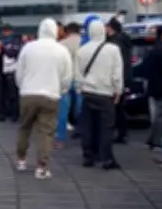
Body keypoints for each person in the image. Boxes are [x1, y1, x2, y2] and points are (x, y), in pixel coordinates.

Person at [15, 18, 73, 179]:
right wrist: (60, 90)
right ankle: (42, 167)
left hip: (28, 93)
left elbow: (19, 72)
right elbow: (67, 77)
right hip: (51, 94)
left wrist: (22, 87)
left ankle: (21, 159)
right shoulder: (62, 50)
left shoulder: (28, 48)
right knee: (46, 132)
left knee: (24, 127)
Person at [75, 19, 124, 170]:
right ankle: (107, 158)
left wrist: (80, 88)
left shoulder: (81, 50)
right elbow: (117, 73)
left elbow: (77, 74)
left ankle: (88, 156)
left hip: (87, 92)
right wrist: (118, 90)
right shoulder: (113, 50)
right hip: (106, 93)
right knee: (106, 127)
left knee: (88, 126)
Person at [134, 26, 162, 151]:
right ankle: (157, 142)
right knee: (159, 115)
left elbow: (146, 67)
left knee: (156, 114)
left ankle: (151, 140)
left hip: (152, 85)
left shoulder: (154, 49)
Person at [106, 17, 132, 144]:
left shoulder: (114, 43)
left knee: (115, 107)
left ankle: (118, 133)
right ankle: (122, 132)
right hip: (125, 76)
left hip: (117, 78)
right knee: (120, 107)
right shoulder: (123, 41)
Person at [56, 21, 82, 145]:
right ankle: (81, 130)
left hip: (65, 79)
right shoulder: (84, 43)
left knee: (63, 110)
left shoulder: (61, 45)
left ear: (68, 31)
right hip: (79, 79)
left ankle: (60, 137)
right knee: (80, 108)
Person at [0, 24, 21, 122]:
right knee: (2, 94)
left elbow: (12, 53)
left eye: (6, 31)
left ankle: (15, 114)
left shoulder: (15, 41)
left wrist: (3, 48)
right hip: (2, 70)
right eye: (4, 31)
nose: (5, 33)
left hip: (12, 70)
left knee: (13, 94)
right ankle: (2, 113)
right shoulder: (1, 40)